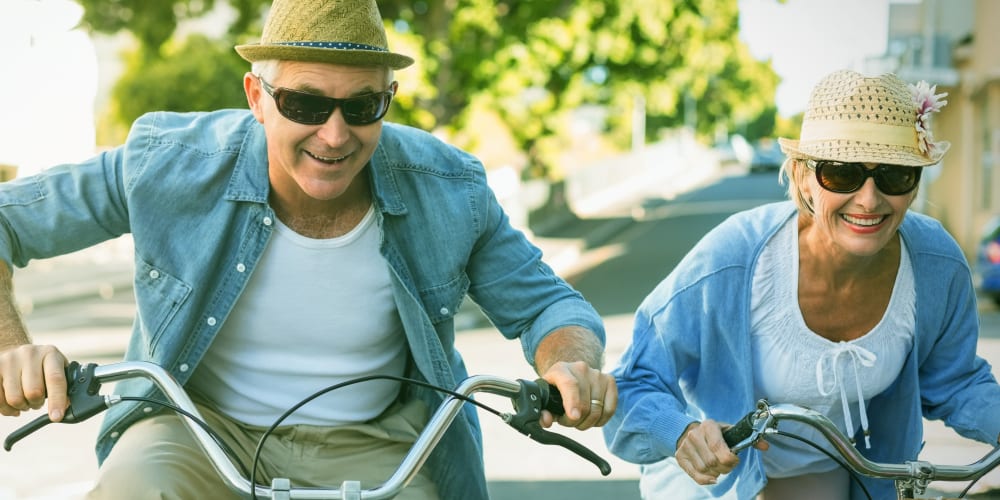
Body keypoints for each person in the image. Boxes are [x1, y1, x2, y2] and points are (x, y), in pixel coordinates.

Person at [0, 0, 617, 498]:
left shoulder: (451, 189)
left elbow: (549, 309)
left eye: (362, 106)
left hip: (383, 441)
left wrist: (569, 365)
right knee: (134, 488)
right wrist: (10, 349)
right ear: (257, 98)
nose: (335, 133)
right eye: (304, 103)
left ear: (388, 100)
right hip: (198, 430)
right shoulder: (165, 163)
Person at [602, 68, 1000, 499]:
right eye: (842, 173)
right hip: (714, 482)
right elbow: (634, 381)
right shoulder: (732, 259)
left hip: (822, 480)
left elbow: (956, 381)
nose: (869, 199)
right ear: (802, 176)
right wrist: (682, 434)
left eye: (895, 174)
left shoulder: (935, 262)